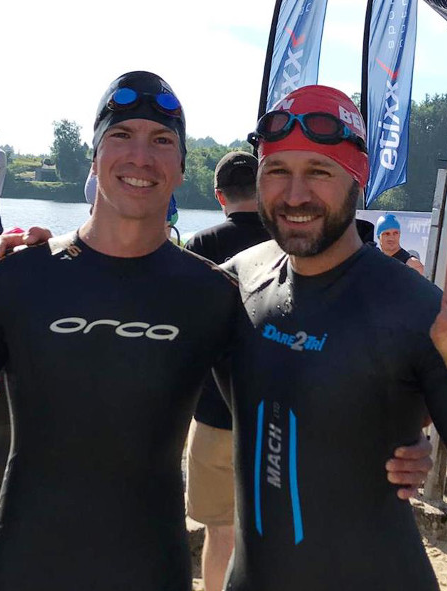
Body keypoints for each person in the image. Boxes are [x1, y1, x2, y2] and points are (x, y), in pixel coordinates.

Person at [0, 72, 430, 591]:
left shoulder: (211, 296)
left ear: (184, 168)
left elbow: (283, 414)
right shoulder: (16, 276)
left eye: (162, 140)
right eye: (122, 135)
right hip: (24, 564)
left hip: (150, 568)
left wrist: (403, 440)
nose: (141, 155)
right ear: (94, 157)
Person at [217, 84, 447, 590]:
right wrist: (49, 258)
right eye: (277, 170)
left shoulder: (417, 311)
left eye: (320, 172)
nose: (296, 194)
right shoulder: (234, 282)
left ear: (358, 179)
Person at [184, 151, 271, 591]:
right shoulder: (288, 242)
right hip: (279, 417)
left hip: (215, 413)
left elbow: (185, 336)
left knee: (219, 532)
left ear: (220, 195)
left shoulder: (199, 246)